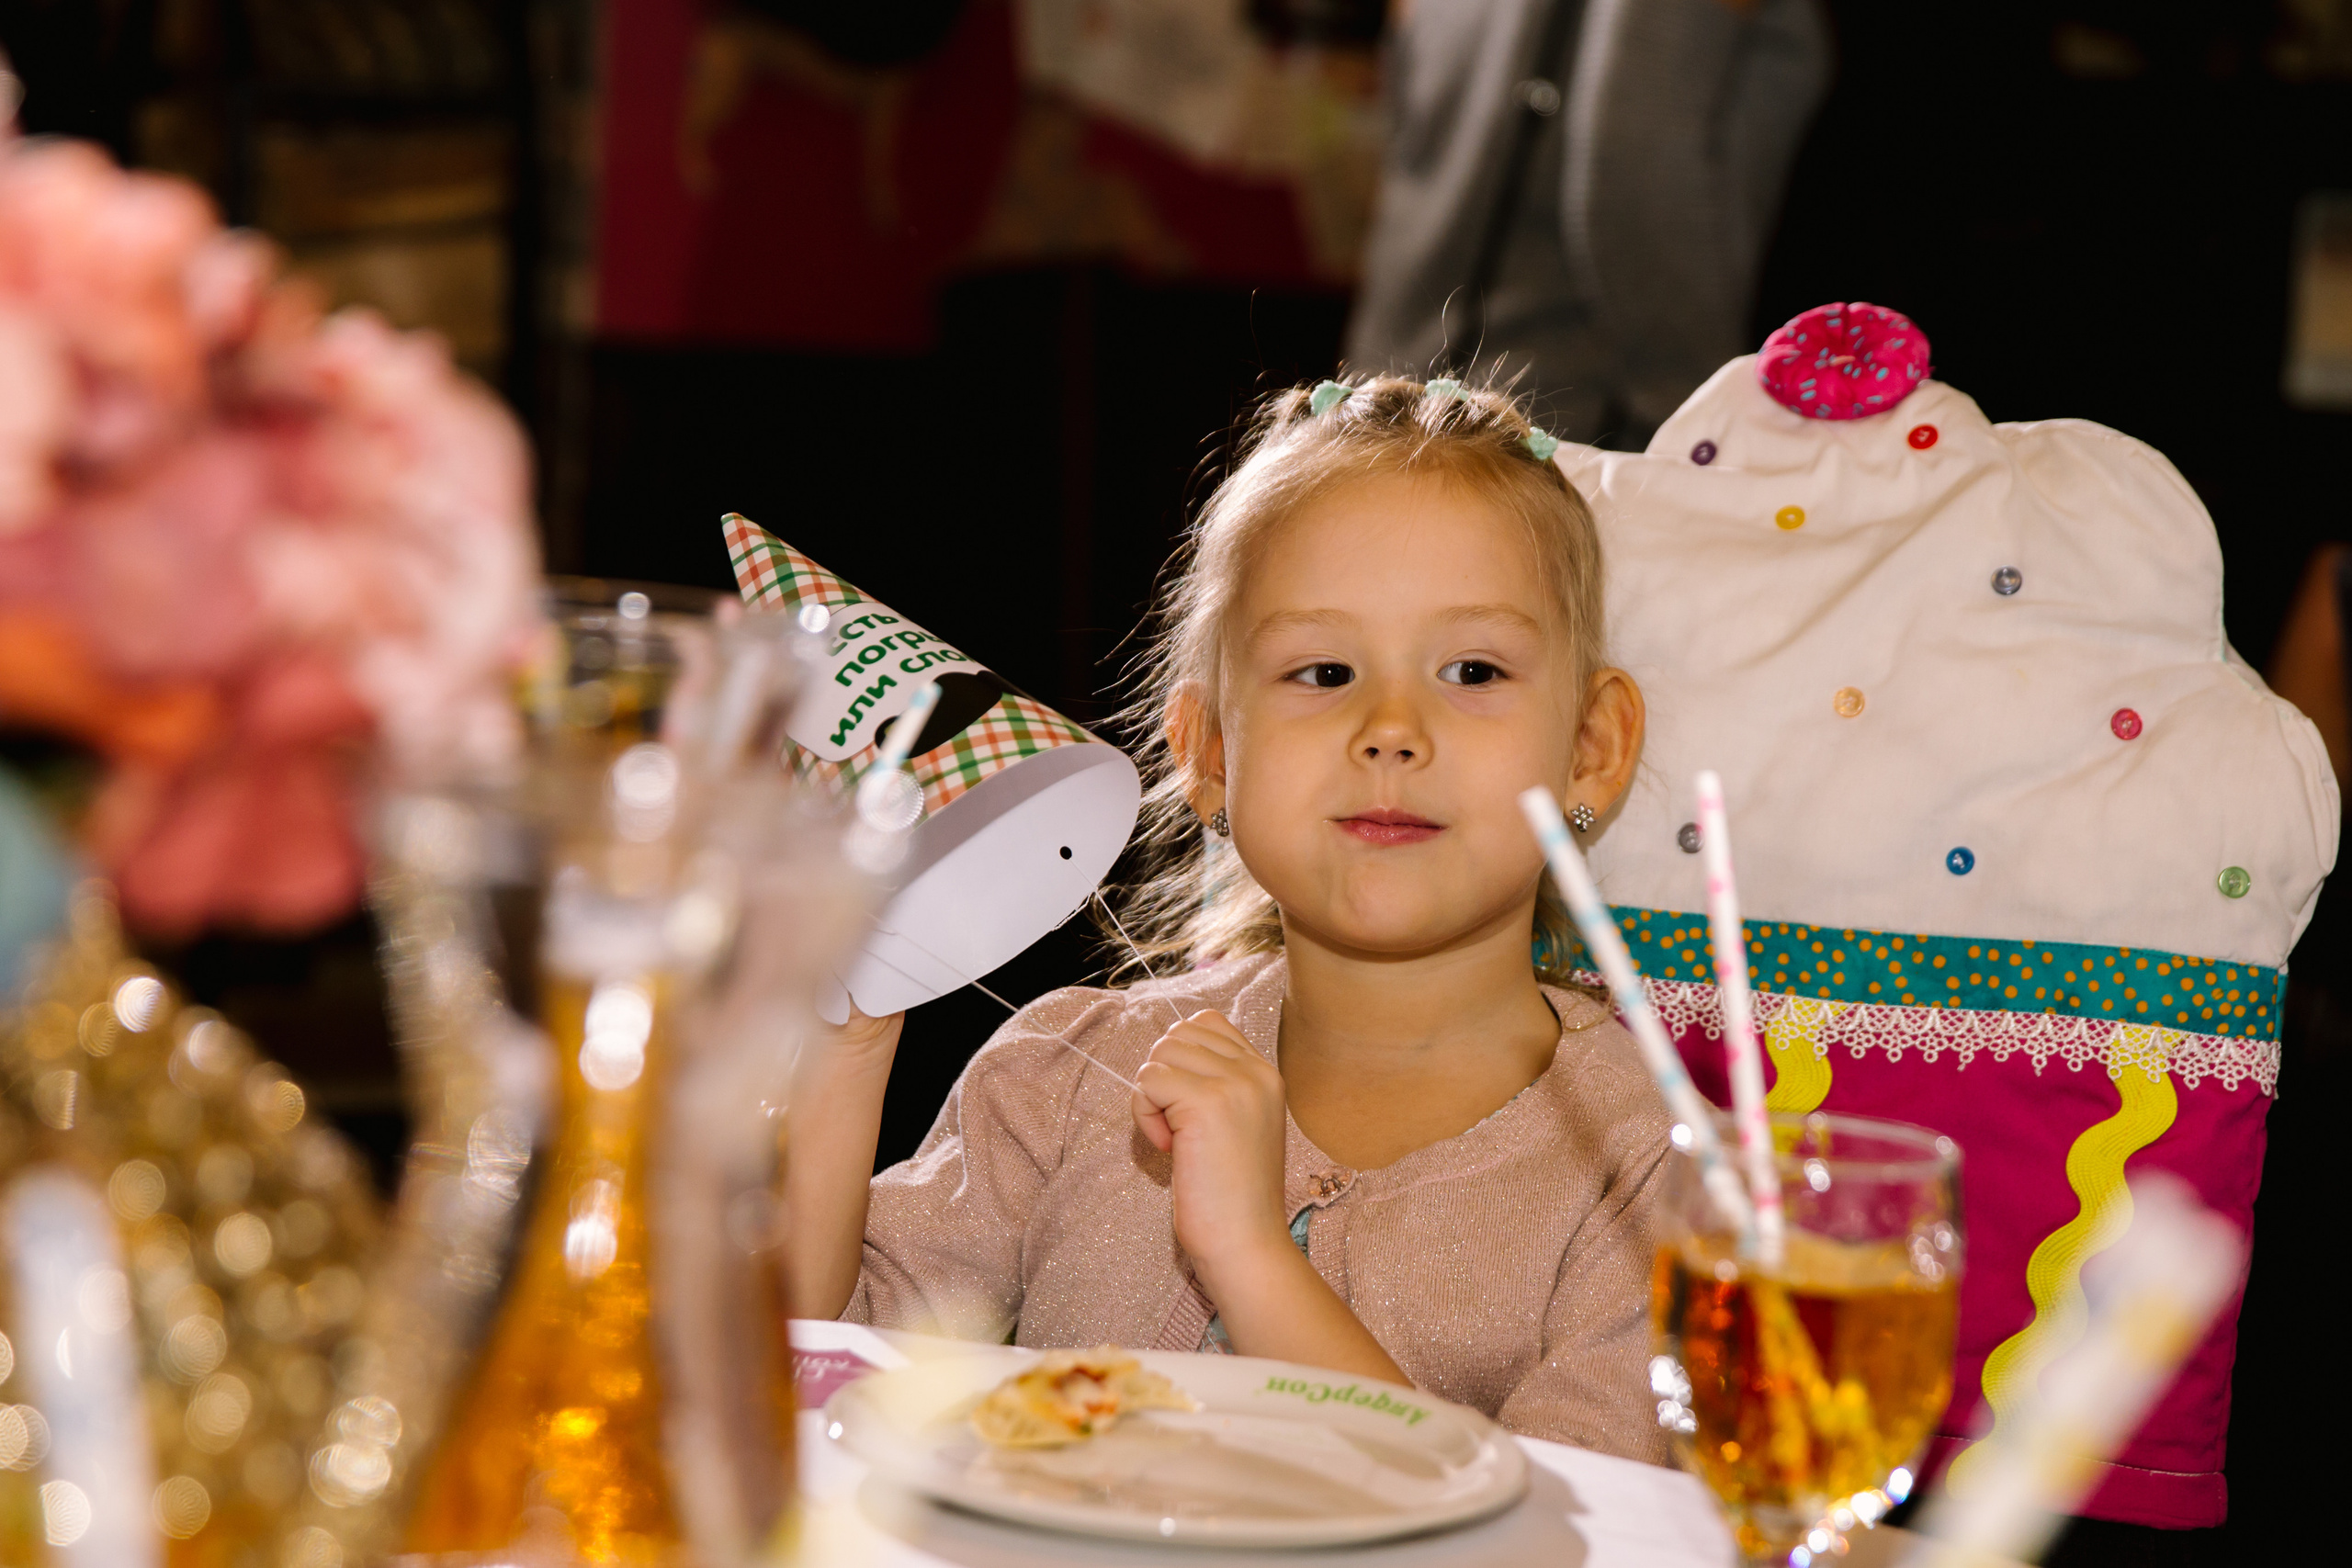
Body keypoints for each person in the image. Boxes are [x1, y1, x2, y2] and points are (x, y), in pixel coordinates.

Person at [783, 375, 1671, 1460]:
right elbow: (797, 1378)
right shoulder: (1063, 1075)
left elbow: (1559, 1531)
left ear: (1592, 747)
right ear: (1209, 753)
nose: (1390, 728)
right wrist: (847, 1035)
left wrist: (1250, 1255)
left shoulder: (1651, 1177)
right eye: (1323, 670)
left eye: (1473, 669)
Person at [1346, 0, 1829, 447]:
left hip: (1391, 396)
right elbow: (1631, 167)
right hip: (1566, 430)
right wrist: (1684, 396)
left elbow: (1406, 153)